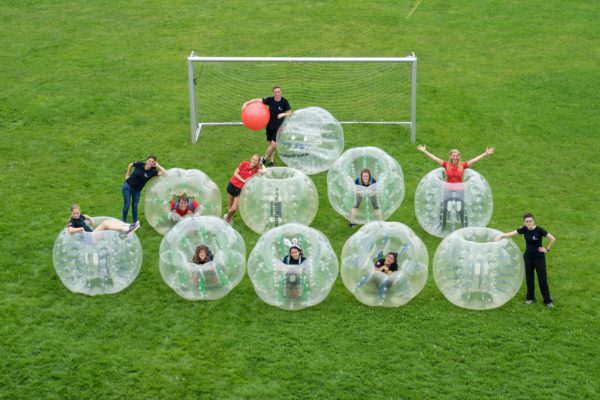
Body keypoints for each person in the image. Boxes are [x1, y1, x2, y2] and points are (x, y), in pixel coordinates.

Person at [417, 145, 494, 229]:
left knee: (461, 208)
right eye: (453, 155)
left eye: (456, 156)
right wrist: (425, 151)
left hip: (459, 189)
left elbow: (474, 160)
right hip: (448, 188)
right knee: (444, 207)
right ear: (450, 156)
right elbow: (435, 158)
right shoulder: (446, 164)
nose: (455, 157)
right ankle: (442, 226)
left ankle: (465, 227)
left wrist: (485, 154)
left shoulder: (463, 165)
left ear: (458, 157)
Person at [495, 213, 556, 308]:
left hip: (539, 258)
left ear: (533, 221)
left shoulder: (539, 230)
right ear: (524, 222)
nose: (529, 223)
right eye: (527, 221)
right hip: (527, 258)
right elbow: (511, 234)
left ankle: (547, 300)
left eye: (530, 221)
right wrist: (501, 236)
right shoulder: (524, 229)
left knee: (542, 279)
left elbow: (552, 239)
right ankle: (530, 298)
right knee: (529, 278)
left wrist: (546, 249)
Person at [242, 86, 293, 166]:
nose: (277, 93)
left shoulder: (284, 102)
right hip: (269, 126)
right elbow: (257, 100)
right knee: (270, 146)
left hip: (279, 128)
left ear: (281, 92)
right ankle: (271, 161)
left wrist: (283, 114)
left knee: (273, 145)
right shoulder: (270, 100)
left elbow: (290, 112)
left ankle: (263, 159)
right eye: (275, 92)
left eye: (278, 92)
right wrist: (246, 103)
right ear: (273, 93)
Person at [224, 154, 266, 225]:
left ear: (258, 162)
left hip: (240, 190)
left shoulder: (256, 170)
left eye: (256, 160)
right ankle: (229, 220)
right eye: (253, 159)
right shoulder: (244, 163)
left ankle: (226, 218)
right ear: (251, 158)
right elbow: (235, 173)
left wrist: (261, 164)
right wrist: (243, 180)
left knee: (233, 209)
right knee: (230, 206)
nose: (254, 161)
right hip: (232, 185)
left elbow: (265, 171)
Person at [122, 155, 167, 223]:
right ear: (147, 161)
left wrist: (158, 166)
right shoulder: (140, 164)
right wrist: (127, 175)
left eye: (153, 162)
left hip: (137, 191)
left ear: (154, 163)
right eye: (149, 161)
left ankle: (135, 222)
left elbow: (166, 173)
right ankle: (123, 222)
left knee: (135, 206)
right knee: (127, 205)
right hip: (127, 187)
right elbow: (130, 165)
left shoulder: (153, 172)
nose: (150, 163)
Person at [67, 204, 139, 237]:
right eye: (74, 213)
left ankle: (128, 226)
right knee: (105, 224)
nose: (76, 215)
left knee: (107, 221)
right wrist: (81, 228)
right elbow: (70, 230)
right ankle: (127, 230)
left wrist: (92, 221)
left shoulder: (80, 216)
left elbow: (86, 216)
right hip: (89, 239)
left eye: (77, 213)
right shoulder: (72, 221)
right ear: (71, 213)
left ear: (80, 212)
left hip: (92, 234)